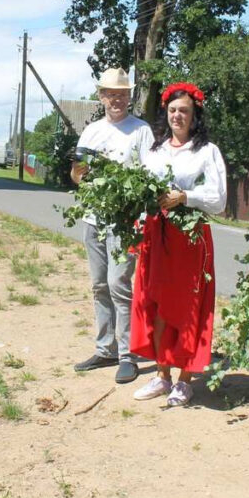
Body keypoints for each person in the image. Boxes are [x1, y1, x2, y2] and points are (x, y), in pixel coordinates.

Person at [129, 82, 226, 407]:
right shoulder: (155, 151)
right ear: (165, 113)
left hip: (190, 239)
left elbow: (219, 199)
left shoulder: (207, 151)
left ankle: (185, 379)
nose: (177, 115)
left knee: (186, 307)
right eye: (172, 110)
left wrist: (186, 197)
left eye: (184, 110)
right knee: (156, 305)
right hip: (157, 235)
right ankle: (161, 375)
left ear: (195, 114)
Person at [71, 67, 153, 384]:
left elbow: (150, 176)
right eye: (111, 93)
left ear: (129, 96)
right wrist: (86, 178)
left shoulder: (141, 131)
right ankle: (105, 348)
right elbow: (76, 173)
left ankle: (127, 355)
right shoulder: (91, 132)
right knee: (99, 284)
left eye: (122, 94)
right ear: (101, 96)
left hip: (126, 220)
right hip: (94, 218)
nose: (116, 99)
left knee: (120, 284)